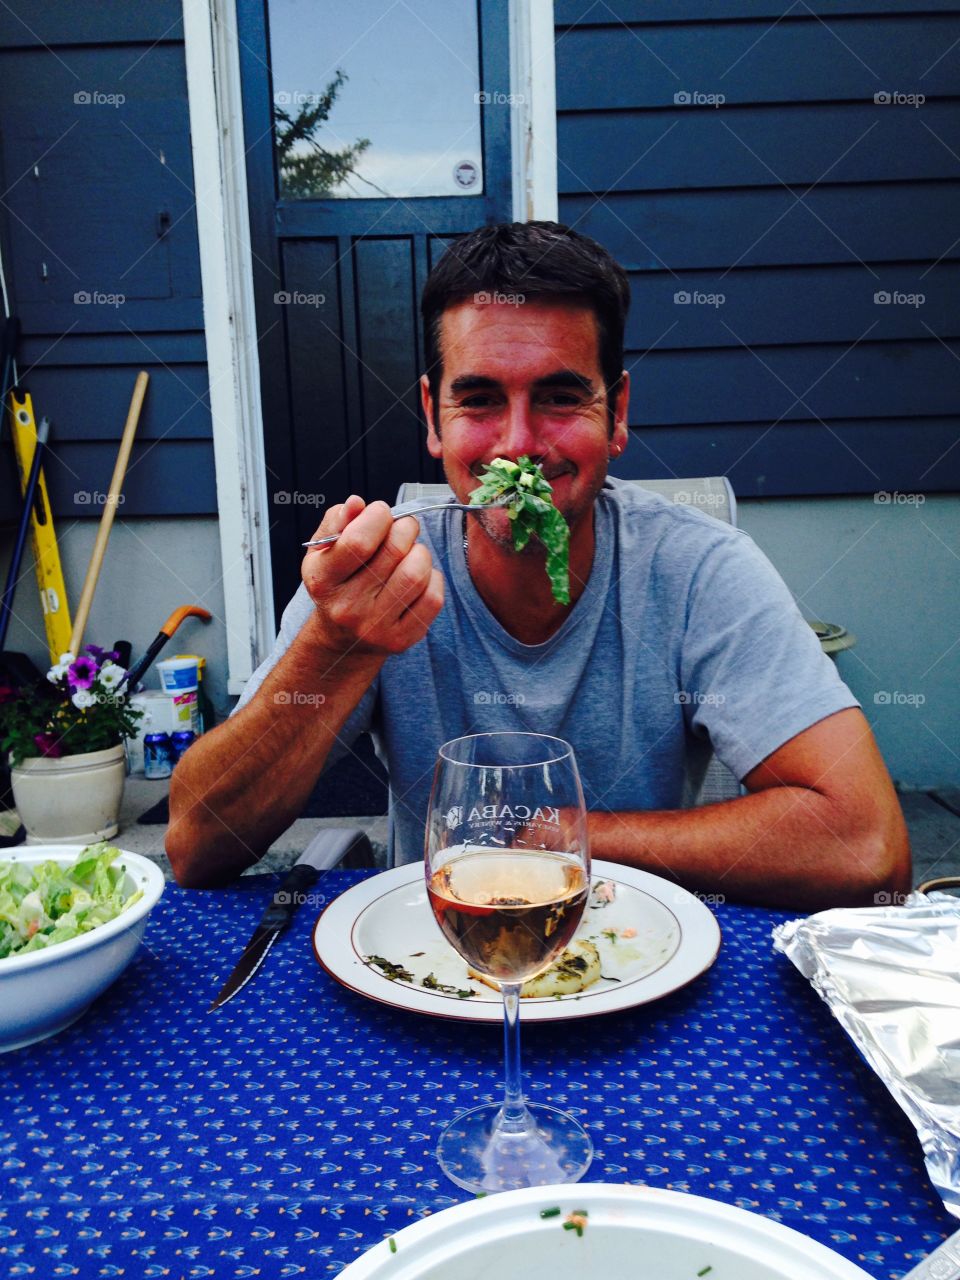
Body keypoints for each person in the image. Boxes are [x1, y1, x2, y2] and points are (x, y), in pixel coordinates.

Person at [167, 221, 910, 906]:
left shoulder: (701, 571)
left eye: (559, 397)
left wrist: (560, 839)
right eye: (480, 399)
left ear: (616, 415)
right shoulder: (378, 570)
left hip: (635, 950)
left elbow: (867, 847)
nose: (518, 444)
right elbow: (198, 847)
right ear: (433, 417)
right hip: (430, 962)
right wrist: (335, 646)